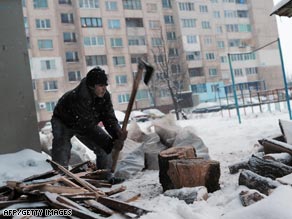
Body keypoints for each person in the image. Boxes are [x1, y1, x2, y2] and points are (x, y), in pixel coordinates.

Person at [51, 66, 127, 178]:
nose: (104, 89)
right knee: (62, 147)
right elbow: (87, 126)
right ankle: (60, 178)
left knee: (104, 150)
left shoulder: (104, 97)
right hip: (63, 121)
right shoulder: (79, 97)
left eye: (105, 85)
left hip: (84, 124)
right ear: (92, 86)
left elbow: (109, 118)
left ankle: (104, 177)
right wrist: (110, 143)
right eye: (101, 85)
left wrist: (117, 134)